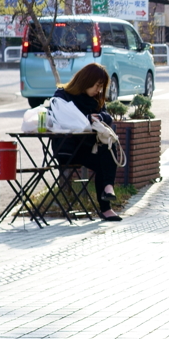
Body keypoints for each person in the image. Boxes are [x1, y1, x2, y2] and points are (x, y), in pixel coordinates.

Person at [48, 63, 122, 222]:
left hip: (87, 148)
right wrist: (87, 119)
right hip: (68, 149)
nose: (99, 90)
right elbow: (63, 118)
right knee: (104, 160)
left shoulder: (95, 99)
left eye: (101, 87)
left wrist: (99, 117)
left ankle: (108, 193)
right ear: (87, 81)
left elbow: (107, 117)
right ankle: (106, 203)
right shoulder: (63, 95)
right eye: (97, 85)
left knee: (108, 148)